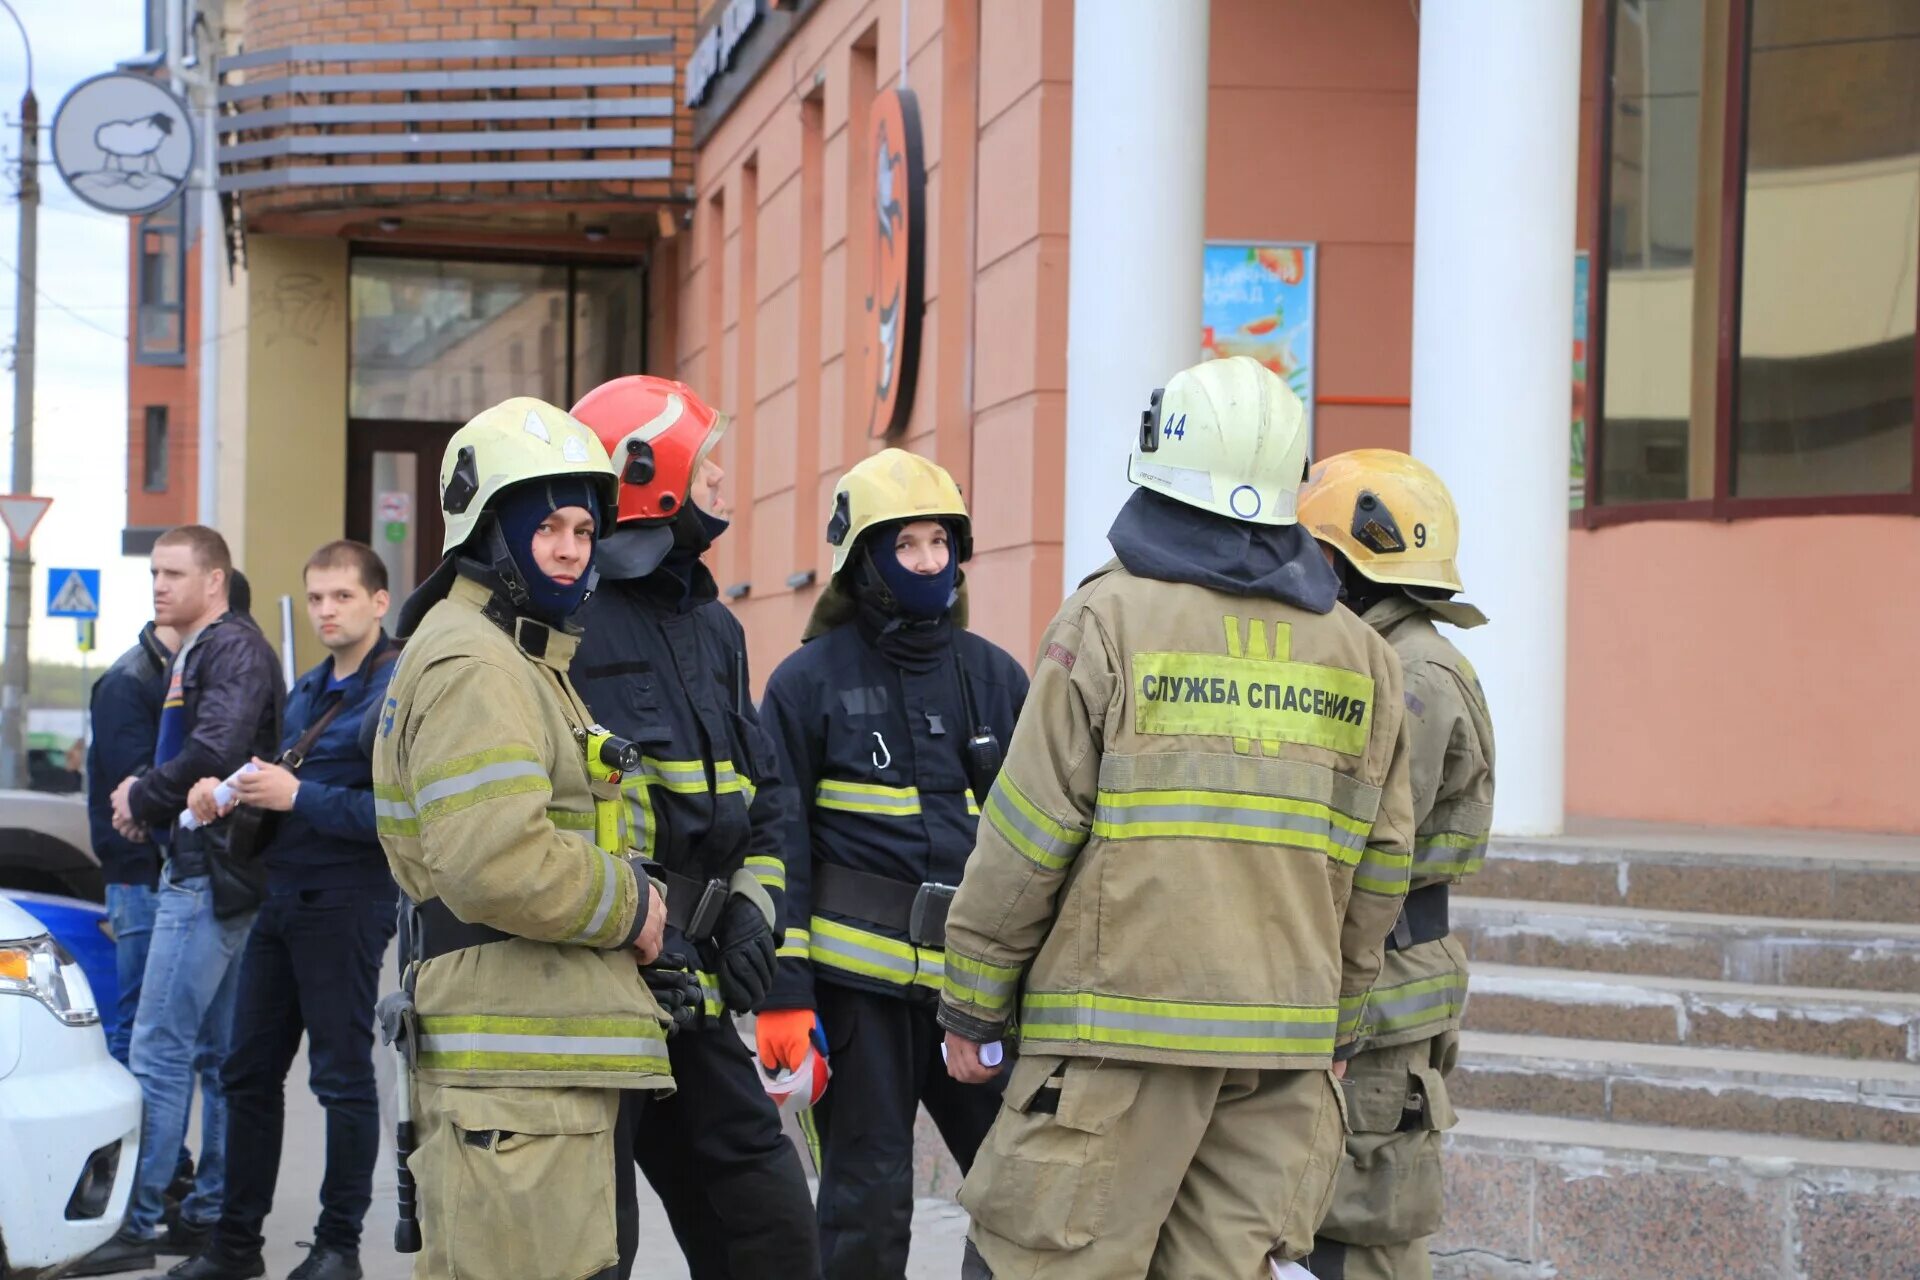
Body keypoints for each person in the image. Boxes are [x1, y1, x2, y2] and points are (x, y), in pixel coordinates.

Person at [938, 356, 1417, 1279]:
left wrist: (972, 998)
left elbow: (1027, 836)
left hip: (1115, 1045)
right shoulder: (1364, 657)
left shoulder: (1108, 622)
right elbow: (1381, 869)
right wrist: (1338, 1028)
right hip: (1283, 1057)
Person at [372, 397, 674, 1280]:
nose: (572, 547)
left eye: (584, 527)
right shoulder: (476, 663)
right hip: (515, 1087)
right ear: (487, 529)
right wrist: (635, 906)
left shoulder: (519, 654)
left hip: (536, 1080)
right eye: (546, 526)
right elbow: (495, 861)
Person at [568, 376, 820, 1279]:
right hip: (600, 993)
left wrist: (755, 915)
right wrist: (639, 923)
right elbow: (562, 814)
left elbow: (765, 798)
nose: (725, 483)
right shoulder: (568, 626)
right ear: (653, 474)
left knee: (774, 1233)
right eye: (710, 463)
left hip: (699, 997)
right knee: (598, 1251)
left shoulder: (715, 627)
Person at [757, 448, 1029, 1279]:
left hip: (973, 995)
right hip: (855, 996)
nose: (924, 562)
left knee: (1023, 1196)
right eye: (903, 545)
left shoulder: (997, 677)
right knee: (865, 1209)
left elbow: (1037, 843)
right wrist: (784, 998)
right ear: (863, 559)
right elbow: (779, 843)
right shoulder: (807, 685)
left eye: (938, 544)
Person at [170, 540, 403, 1280]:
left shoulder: (397, 692)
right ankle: (235, 1248)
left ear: (378, 601)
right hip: (282, 894)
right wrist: (226, 790)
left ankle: (339, 1248)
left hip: (347, 902)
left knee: (340, 1079)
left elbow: (402, 814)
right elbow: (276, 771)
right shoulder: (307, 688)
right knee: (245, 1073)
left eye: (341, 596)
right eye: (315, 598)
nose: (326, 611)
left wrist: (298, 796)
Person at [1296, 451, 1495, 1280]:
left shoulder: (1410, 674)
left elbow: (1364, 840)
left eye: (1311, 552)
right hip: (1383, 975)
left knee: (1360, 1225)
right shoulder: (1392, 654)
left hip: (1383, 978)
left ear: (1344, 563)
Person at [78, 526, 286, 1277]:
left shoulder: (228, 647)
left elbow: (214, 748)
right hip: (213, 869)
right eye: (156, 573)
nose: (158, 586)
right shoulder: (202, 650)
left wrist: (142, 794)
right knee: (215, 1056)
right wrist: (155, 800)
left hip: (209, 873)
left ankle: (137, 1222)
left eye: (173, 574)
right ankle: (203, 1216)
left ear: (215, 580)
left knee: (157, 1050)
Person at [86, 616, 178, 1062]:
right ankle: (133, 1134)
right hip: (139, 875)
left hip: (155, 872)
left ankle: (150, 1135)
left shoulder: (171, 672)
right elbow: (137, 792)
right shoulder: (128, 681)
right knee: (139, 1024)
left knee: (153, 1026)